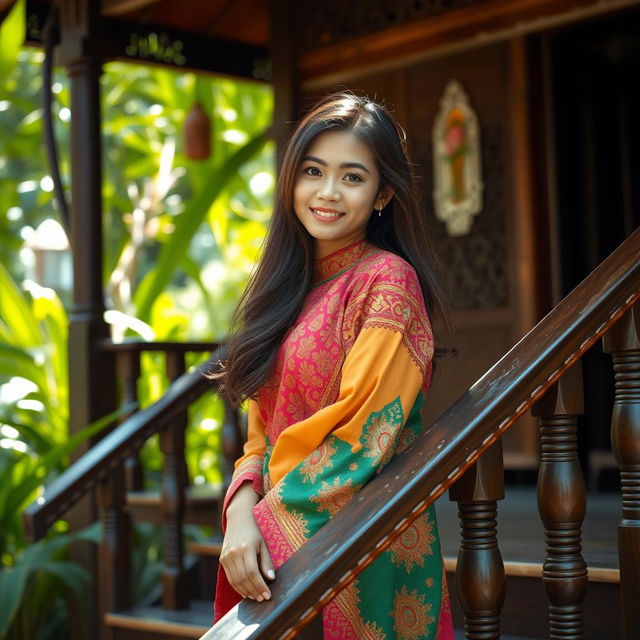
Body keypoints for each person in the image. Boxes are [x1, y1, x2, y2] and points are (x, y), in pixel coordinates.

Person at [213, 91, 454, 639]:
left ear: (382, 195)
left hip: (361, 529)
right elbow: (260, 437)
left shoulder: (387, 282)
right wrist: (240, 512)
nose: (326, 193)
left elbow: (366, 433)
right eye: (313, 171)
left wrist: (265, 525)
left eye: (351, 177)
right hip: (278, 530)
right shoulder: (287, 292)